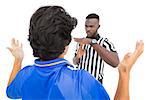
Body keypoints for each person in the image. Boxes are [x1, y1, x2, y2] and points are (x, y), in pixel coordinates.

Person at [6, 5, 144, 100]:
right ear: (66, 45)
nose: (88, 29)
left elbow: (10, 92)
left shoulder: (25, 75)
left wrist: (18, 60)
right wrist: (124, 73)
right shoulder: (81, 80)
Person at [73, 13, 120, 83]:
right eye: (86, 26)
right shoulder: (81, 43)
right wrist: (77, 57)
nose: (88, 29)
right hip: (79, 82)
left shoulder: (104, 42)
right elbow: (75, 62)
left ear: (98, 26)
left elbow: (115, 63)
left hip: (95, 84)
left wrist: (92, 42)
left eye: (91, 26)